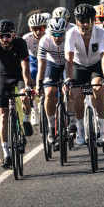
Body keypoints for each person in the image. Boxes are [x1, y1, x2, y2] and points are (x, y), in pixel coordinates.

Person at [0, 19, 34, 169]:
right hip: (4, 78)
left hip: (19, 76)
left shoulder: (20, 43)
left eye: (7, 35)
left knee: (24, 95)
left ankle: (26, 119)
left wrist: (27, 86)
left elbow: (25, 67)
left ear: (13, 34)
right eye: (0, 36)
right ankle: (6, 154)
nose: (4, 39)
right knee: (3, 114)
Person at [64, 4, 104, 145]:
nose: (85, 24)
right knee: (77, 95)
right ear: (76, 21)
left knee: (99, 88)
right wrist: (68, 79)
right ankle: (81, 130)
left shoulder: (102, 32)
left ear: (93, 21)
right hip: (79, 66)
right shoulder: (71, 34)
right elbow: (69, 60)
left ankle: (103, 132)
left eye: (88, 21)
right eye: (81, 21)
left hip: (95, 65)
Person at [36, 16, 68, 145]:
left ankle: (71, 122)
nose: (57, 37)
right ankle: (51, 127)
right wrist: (39, 83)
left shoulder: (70, 38)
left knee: (70, 90)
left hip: (67, 63)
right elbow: (41, 64)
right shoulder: (44, 40)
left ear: (64, 32)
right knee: (49, 92)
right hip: (52, 65)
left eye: (60, 34)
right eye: (54, 34)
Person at [23, 13, 46, 126]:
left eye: (41, 28)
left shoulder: (49, 36)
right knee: (29, 77)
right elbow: (22, 60)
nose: (38, 32)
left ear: (45, 27)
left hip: (46, 64)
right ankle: (34, 108)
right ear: (30, 29)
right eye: (35, 29)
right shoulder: (26, 39)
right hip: (33, 65)